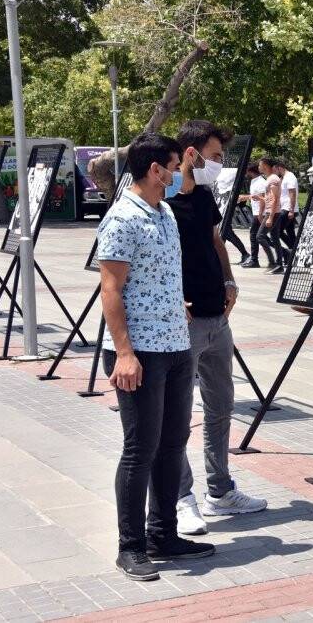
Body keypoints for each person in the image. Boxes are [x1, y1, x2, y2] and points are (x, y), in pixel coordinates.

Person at [98, 132, 215, 581]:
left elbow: (160, 274)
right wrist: (124, 354)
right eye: (172, 166)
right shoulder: (122, 218)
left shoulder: (163, 211)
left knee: (172, 443)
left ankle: (163, 533)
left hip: (175, 345)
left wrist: (175, 306)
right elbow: (110, 289)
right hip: (140, 353)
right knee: (139, 449)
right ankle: (130, 547)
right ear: (155, 170)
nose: (177, 173)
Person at [167, 121, 267, 536]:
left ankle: (220, 490)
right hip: (183, 322)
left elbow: (215, 241)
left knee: (220, 407)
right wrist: (172, 299)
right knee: (176, 416)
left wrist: (229, 280)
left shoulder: (205, 195)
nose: (220, 164)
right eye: (216, 156)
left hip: (216, 318)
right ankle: (181, 499)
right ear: (191, 155)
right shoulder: (163, 197)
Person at [214, 165, 249, 264]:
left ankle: (245, 254)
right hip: (222, 215)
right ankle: (218, 257)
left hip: (224, 216)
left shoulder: (229, 190)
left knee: (228, 234)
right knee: (224, 235)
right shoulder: (225, 190)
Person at [257, 157, 284, 274]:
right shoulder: (270, 178)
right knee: (275, 238)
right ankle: (279, 265)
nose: (258, 167)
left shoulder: (273, 179)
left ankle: (272, 262)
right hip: (273, 211)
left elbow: (275, 198)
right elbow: (270, 198)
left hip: (272, 212)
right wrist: (260, 198)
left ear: (266, 166)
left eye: (260, 165)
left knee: (259, 236)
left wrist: (270, 217)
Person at [242, 163, 268, 268]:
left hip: (259, 213)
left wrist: (260, 214)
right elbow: (255, 196)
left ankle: (254, 260)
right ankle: (284, 253)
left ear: (250, 171)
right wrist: (246, 197)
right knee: (260, 237)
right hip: (256, 212)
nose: (246, 174)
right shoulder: (254, 181)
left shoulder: (261, 182)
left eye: (247, 171)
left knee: (255, 236)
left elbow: (263, 199)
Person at [275, 160, 300, 251]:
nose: (275, 173)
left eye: (275, 170)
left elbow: (292, 193)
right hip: (287, 208)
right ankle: (294, 251)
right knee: (290, 232)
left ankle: (291, 250)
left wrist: (291, 210)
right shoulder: (285, 177)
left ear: (279, 168)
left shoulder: (290, 177)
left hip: (287, 209)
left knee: (277, 231)